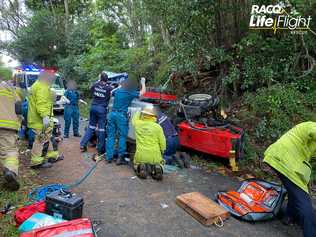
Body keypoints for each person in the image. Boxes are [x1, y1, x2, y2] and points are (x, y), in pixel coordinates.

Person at [263, 122, 316, 237]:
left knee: (297, 190)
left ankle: (289, 216)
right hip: (285, 160)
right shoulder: (312, 126)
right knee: (304, 202)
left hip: (282, 158)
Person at [106, 77, 146, 164]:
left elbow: (111, 92)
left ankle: (109, 157)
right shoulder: (129, 92)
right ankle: (120, 158)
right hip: (121, 116)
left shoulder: (118, 91)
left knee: (111, 136)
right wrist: (143, 83)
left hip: (112, 115)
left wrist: (120, 86)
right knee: (122, 137)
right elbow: (142, 94)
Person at [27, 71, 56, 168]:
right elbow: (41, 103)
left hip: (36, 118)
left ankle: (51, 156)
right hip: (40, 120)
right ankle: (36, 162)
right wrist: (45, 117)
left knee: (45, 138)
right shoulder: (42, 86)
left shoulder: (36, 85)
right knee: (40, 140)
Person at [80, 72, 112, 155]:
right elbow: (111, 95)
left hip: (93, 107)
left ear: (100, 78)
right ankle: (100, 149)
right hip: (102, 109)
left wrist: (98, 82)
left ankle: (83, 145)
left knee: (91, 127)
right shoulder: (109, 88)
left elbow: (91, 89)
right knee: (101, 129)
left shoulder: (95, 85)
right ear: (107, 79)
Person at [0, 78, 22, 190]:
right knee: (10, 151)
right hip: (8, 126)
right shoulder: (10, 88)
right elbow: (19, 108)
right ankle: (11, 171)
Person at [132, 106, 166, 180]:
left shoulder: (138, 124)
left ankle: (141, 167)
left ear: (143, 115)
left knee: (136, 163)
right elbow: (162, 141)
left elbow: (134, 118)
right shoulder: (157, 127)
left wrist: (140, 110)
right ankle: (157, 168)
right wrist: (163, 150)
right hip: (155, 154)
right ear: (153, 116)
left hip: (141, 153)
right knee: (159, 162)